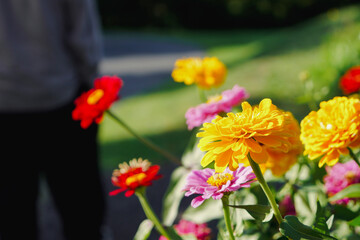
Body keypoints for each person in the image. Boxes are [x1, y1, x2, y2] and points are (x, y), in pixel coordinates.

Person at [0, 0, 105, 239]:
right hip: (61, 97)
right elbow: (83, 32)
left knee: (13, 220)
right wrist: (90, 81)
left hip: (9, 108)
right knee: (82, 215)